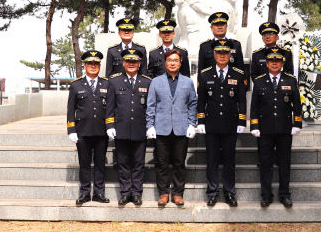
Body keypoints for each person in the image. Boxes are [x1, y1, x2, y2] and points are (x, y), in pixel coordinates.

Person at [196, 39, 247, 207]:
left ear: (230, 55)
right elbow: (201, 100)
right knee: (211, 160)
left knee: (229, 161)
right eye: (219, 53)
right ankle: (212, 192)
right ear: (215, 55)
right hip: (211, 125)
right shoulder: (205, 74)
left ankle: (229, 192)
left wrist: (242, 120)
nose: (222, 56)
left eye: (226, 53)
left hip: (230, 124)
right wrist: (201, 120)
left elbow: (242, 100)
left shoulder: (238, 74)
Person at [249, 48, 302, 208]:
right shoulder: (259, 81)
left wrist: (297, 123)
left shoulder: (291, 80)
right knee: (265, 163)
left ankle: (285, 195)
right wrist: (254, 125)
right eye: (271, 61)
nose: (274, 63)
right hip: (264, 130)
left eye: (277, 61)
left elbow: (297, 105)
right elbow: (255, 106)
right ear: (266, 63)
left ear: (282, 63)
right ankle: (266, 195)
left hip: (285, 129)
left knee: (284, 163)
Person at [145, 49, 198, 206]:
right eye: (170, 60)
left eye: (176, 60)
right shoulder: (156, 81)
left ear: (180, 63)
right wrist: (150, 125)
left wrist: (191, 123)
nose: (173, 63)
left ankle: (178, 193)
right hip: (161, 128)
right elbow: (151, 105)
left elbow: (192, 103)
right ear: (165, 62)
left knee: (179, 163)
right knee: (161, 163)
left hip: (181, 129)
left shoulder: (187, 82)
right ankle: (163, 193)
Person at [105, 48, 151, 206]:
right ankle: (125, 193)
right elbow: (110, 106)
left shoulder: (147, 81)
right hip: (121, 129)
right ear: (123, 63)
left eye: (135, 61)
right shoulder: (114, 81)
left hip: (140, 129)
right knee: (123, 163)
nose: (131, 64)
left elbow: (151, 107)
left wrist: (151, 126)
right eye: (128, 61)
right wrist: (110, 125)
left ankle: (137, 193)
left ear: (139, 63)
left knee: (138, 163)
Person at [66, 50, 110, 205]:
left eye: (96, 64)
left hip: (101, 131)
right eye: (90, 64)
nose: (93, 66)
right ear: (84, 65)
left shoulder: (106, 83)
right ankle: (84, 193)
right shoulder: (76, 85)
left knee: (100, 164)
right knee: (84, 164)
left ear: (99, 66)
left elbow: (110, 107)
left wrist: (111, 126)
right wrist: (71, 130)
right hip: (82, 132)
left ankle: (99, 192)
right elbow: (71, 109)